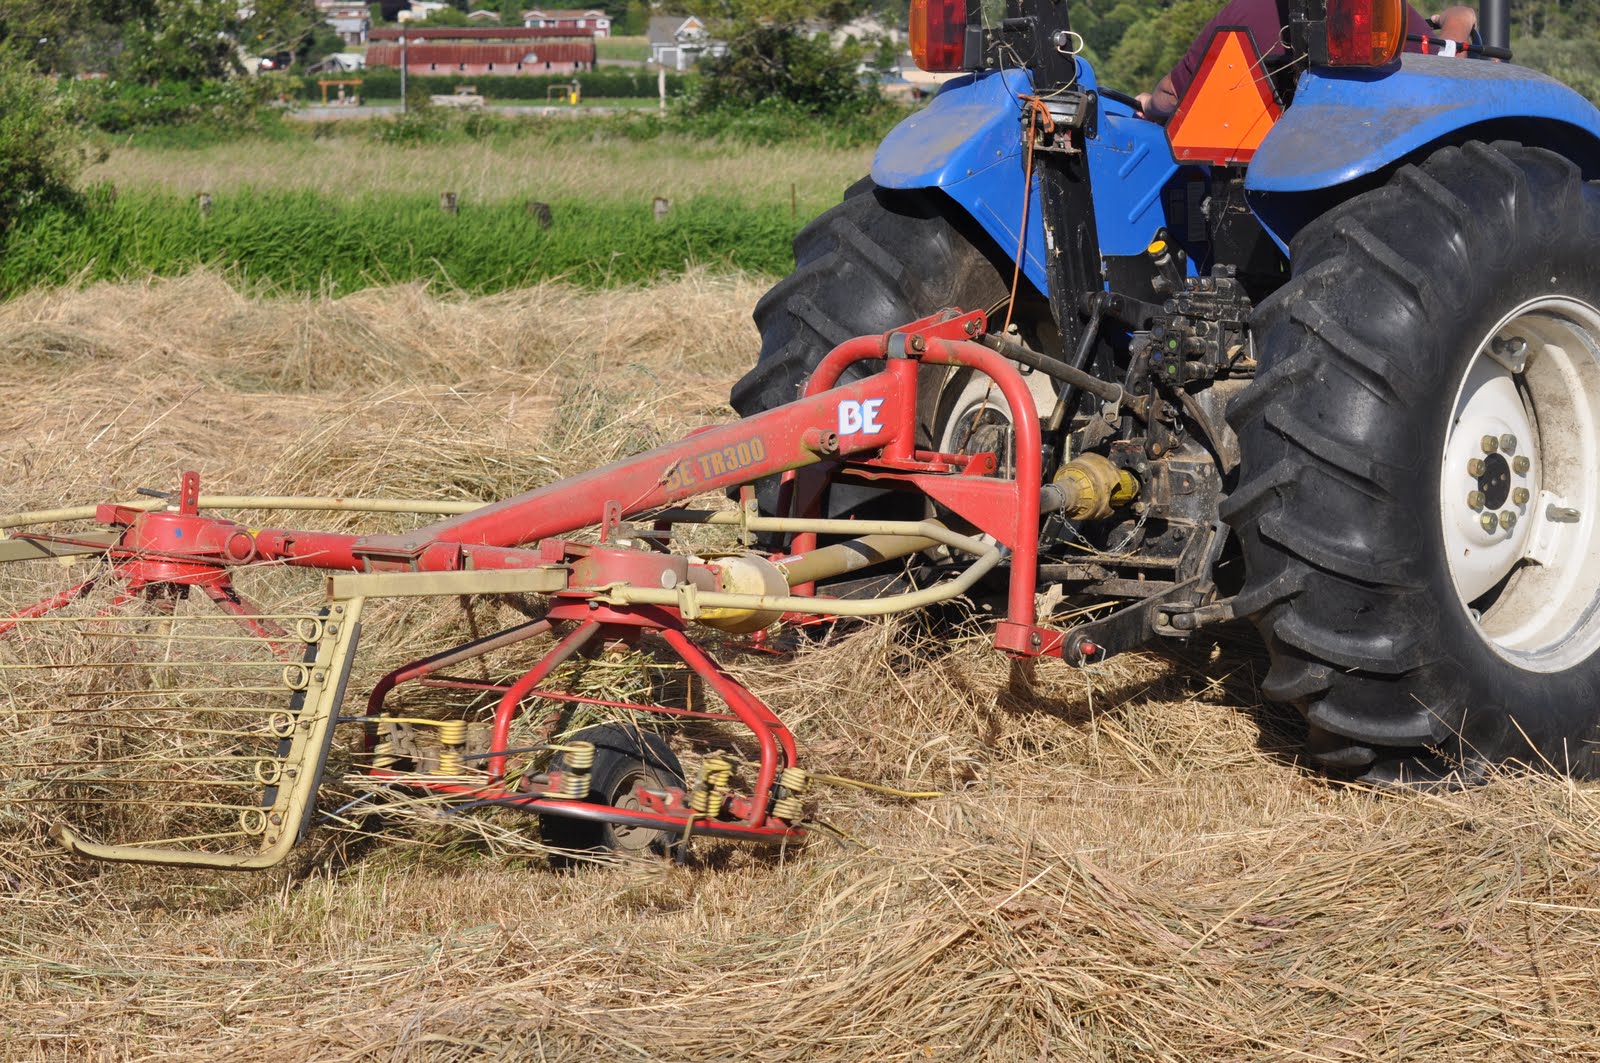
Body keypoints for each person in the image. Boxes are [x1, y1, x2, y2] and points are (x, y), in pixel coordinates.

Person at [1135, 2, 1479, 122]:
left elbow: (1173, 96)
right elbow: (1449, 60)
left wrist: (1149, 105)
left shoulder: (1244, 12)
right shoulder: (1379, 16)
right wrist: (1460, 17)